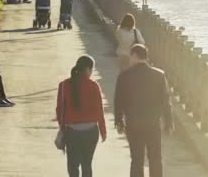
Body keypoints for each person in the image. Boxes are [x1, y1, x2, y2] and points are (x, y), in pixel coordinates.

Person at [114, 44, 173, 177]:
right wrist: (168, 123)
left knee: (136, 160)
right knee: (155, 159)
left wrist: (119, 120)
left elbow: (119, 101)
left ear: (134, 56)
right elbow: (166, 101)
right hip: (153, 124)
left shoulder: (124, 76)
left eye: (130, 57)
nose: (129, 60)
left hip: (133, 124)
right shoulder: (159, 75)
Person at [57, 56, 106, 177]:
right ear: (88, 69)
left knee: (73, 166)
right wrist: (103, 131)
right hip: (90, 132)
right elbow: (100, 111)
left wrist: (63, 128)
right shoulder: (94, 86)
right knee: (87, 164)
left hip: (72, 132)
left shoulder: (64, 85)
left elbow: (59, 110)